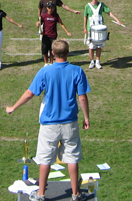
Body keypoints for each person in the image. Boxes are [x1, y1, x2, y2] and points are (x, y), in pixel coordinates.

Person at [5, 39, 90, 201]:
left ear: (52, 54)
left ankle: (41, 194)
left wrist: (13, 107)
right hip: (70, 122)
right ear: (68, 52)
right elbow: (83, 98)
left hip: (49, 123)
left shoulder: (45, 72)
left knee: (45, 159)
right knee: (72, 158)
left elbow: (30, 93)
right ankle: (75, 194)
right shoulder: (77, 71)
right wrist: (86, 117)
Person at [82, 0, 123, 70]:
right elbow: (85, 17)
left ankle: (97, 61)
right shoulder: (87, 6)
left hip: (100, 29)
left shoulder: (101, 5)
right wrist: (85, 28)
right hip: (91, 29)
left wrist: (117, 19)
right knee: (91, 46)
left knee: (99, 45)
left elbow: (109, 13)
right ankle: (92, 61)